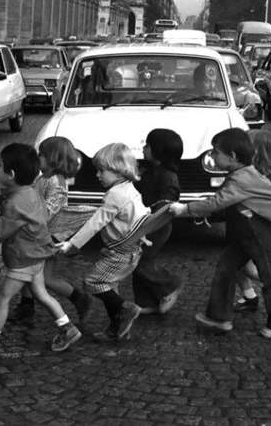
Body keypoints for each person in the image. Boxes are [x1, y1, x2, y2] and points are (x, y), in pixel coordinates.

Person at [169, 128, 271, 339]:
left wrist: (185, 209)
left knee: (270, 278)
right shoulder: (242, 174)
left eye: (215, 152)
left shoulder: (242, 179)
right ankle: (219, 317)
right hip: (245, 235)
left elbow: (218, 201)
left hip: (257, 235)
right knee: (225, 269)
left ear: (232, 157)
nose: (212, 156)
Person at [0, 144, 81, 357]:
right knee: (42, 295)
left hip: (23, 259)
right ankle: (67, 328)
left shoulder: (17, 203)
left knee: (2, 299)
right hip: (37, 257)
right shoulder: (31, 192)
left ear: (11, 174)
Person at [55, 143, 149, 342]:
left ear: (118, 170)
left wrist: (72, 244)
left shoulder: (115, 195)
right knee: (110, 286)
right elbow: (143, 215)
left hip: (120, 253)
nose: (97, 175)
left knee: (93, 281)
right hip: (130, 251)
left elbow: (95, 224)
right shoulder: (130, 189)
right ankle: (117, 329)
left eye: (101, 170)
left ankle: (126, 309)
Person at [9, 136, 90, 326]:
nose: (38, 158)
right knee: (29, 270)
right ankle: (26, 306)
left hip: (48, 237)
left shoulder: (56, 183)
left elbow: (46, 212)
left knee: (45, 278)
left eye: (41, 155)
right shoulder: (43, 178)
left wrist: (25, 214)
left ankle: (79, 298)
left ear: (53, 159)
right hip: (37, 234)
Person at [233, 130, 271, 312]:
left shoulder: (268, 178)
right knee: (235, 264)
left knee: (252, 269)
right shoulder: (249, 172)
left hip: (257, 231)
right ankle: (249, 295)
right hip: (243, 228)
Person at [132, 129, 184, 315]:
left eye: (147, 145)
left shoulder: (167, 177)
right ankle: (147, 302)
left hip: (156, 226)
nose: (143, 148)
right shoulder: (152, 171)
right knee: (142, 260)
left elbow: (165, 206)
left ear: (158, 151)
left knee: (139, 262)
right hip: (144, 223)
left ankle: (170, 285)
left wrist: (150, 224)